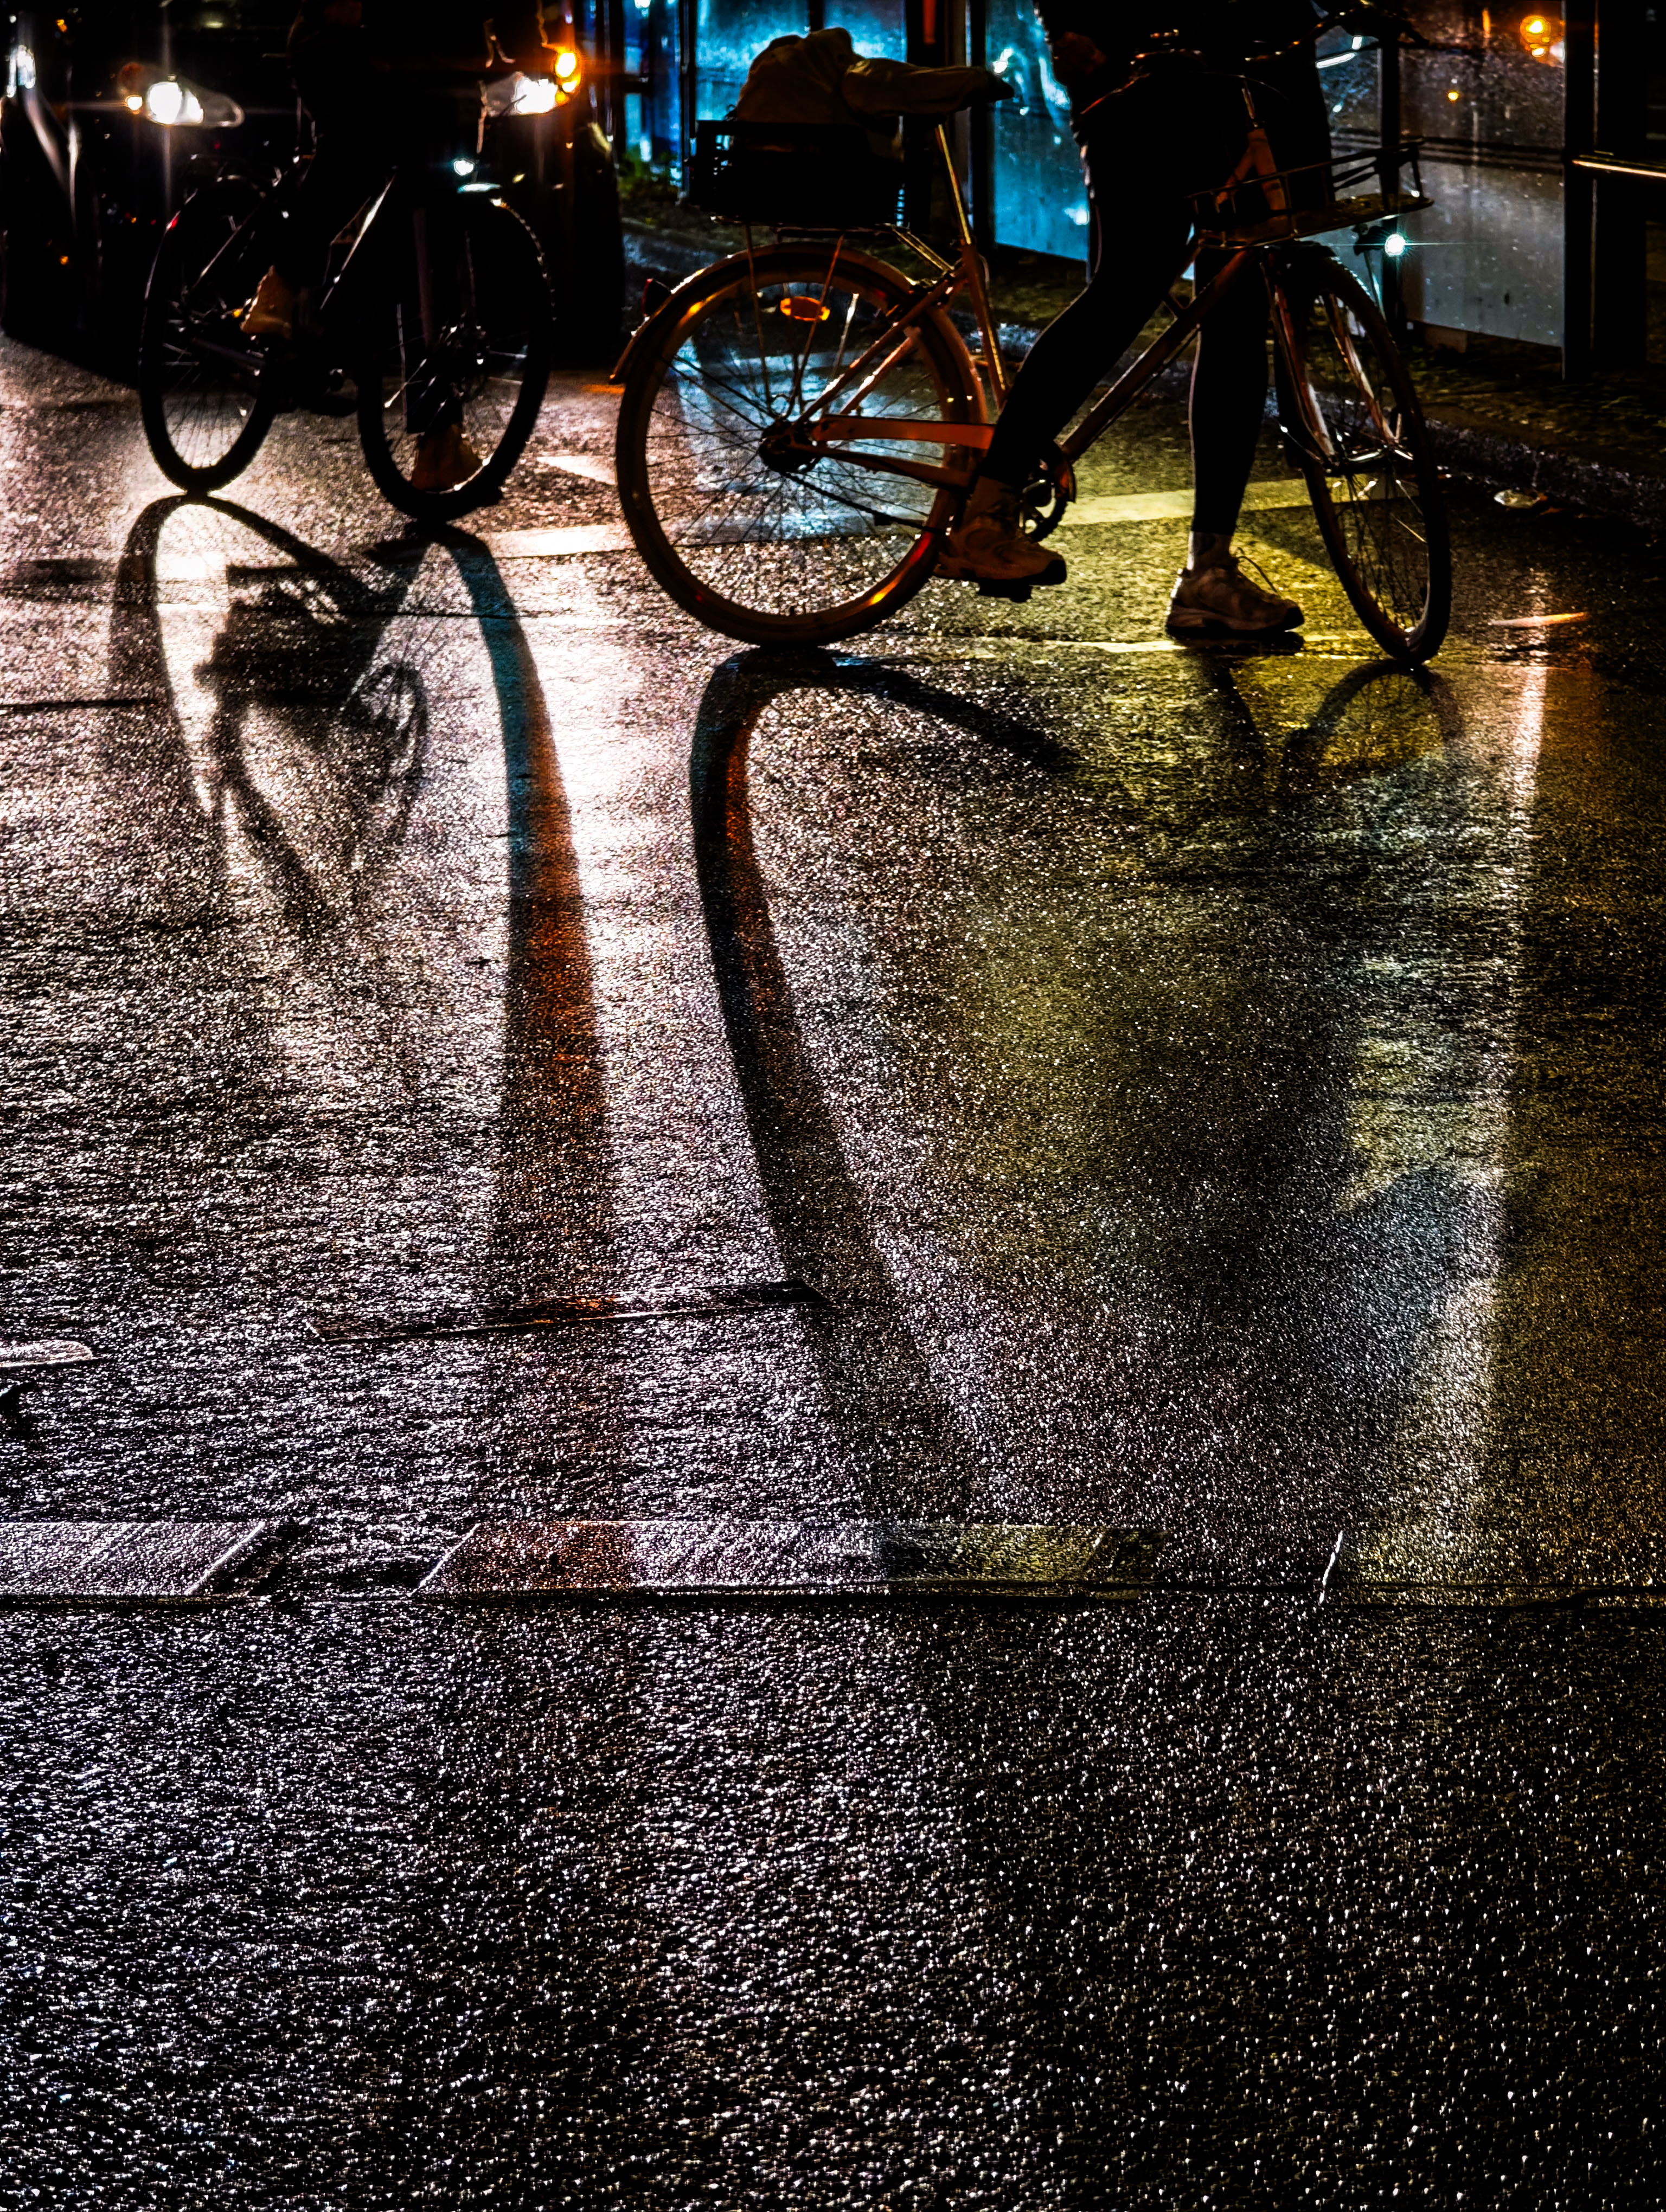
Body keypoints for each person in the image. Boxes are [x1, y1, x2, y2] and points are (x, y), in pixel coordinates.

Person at [941, 0, 1331, 635]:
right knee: (1126, 290)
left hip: (1239, 83)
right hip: (1134, 80)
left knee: (1238, 314)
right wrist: (1074, 32)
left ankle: (1209, 568)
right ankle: (987, 512)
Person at [246, 0, 562, 490]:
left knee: (433, 231)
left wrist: (532, 51)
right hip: (347, 47)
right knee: (355, 149)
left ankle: (439, 441)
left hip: (440, 69)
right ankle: (283, 282)